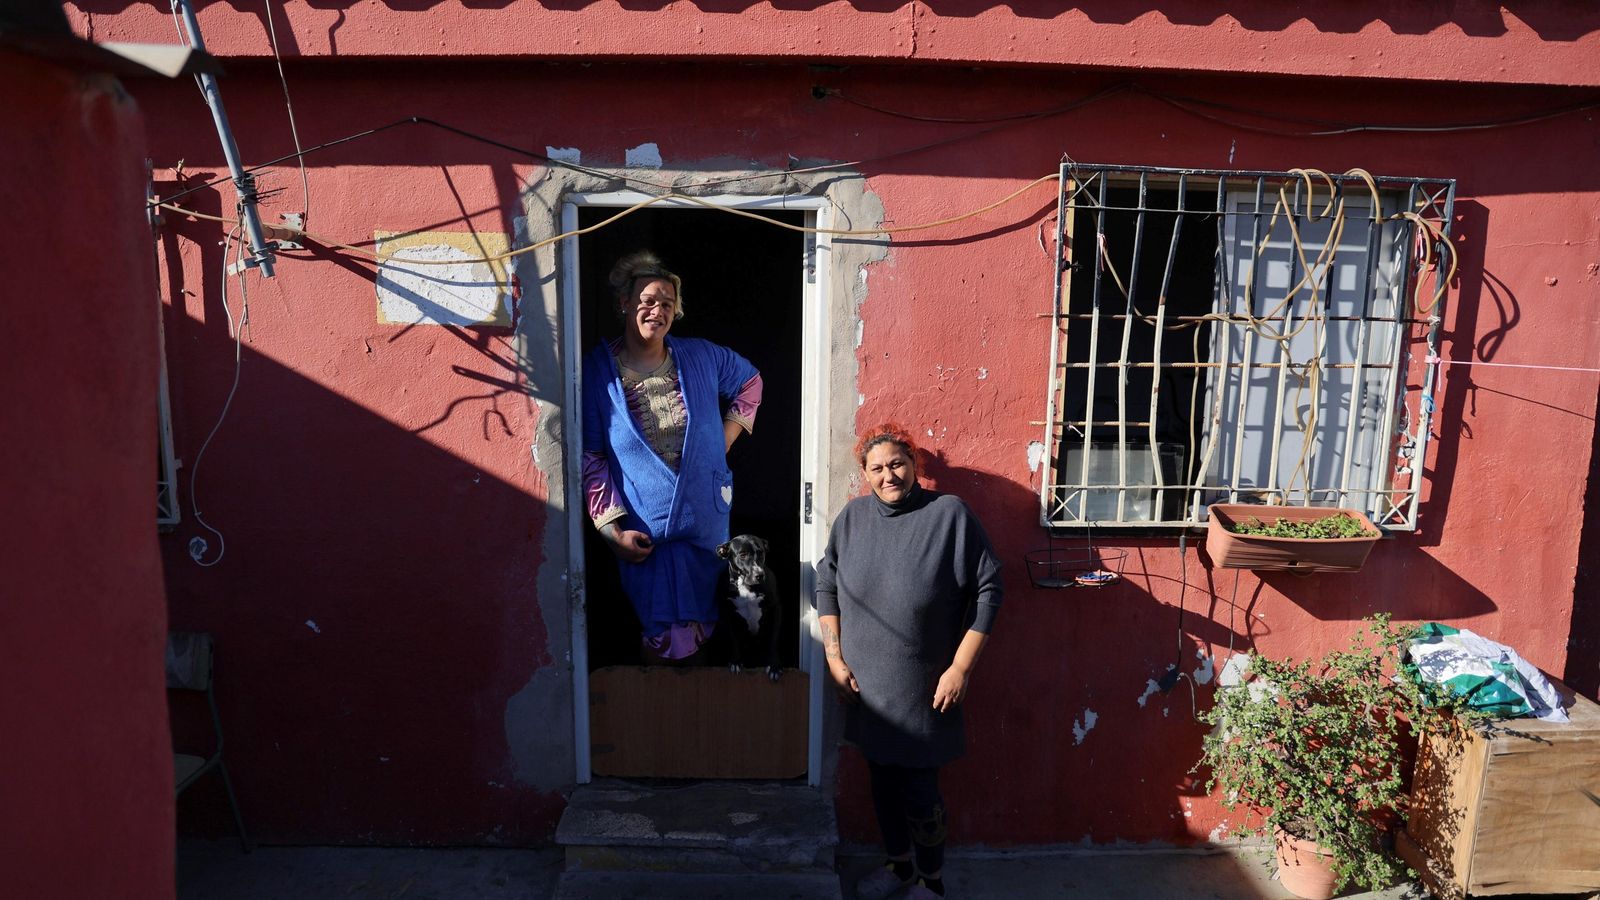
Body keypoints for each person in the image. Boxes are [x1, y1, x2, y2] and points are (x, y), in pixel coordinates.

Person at [816, 425, 1003, 900]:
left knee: (921, 794)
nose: (888, 475)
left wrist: (960, 668)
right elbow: (826, 585)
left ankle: (931, 881)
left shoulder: (949, 516)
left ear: (915, 464)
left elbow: (989, 589)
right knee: (880, 783)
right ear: (864, 474)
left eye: (897, 463)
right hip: (867, 691)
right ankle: (899, 867)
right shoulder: (852, 519)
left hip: (925, 691)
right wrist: (834, 659)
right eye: (876, 468)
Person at [582, 250, 762, 663]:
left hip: (705, 529)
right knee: (660, 644)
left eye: (667, 303)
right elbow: (592, 458)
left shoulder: (701, 356)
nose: (657, 310)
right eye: (647, 300)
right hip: (645, 539)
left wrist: (724, 439)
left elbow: (751, 382)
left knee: (712, 633)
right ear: (624, 303)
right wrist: (611, 534)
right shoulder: (596, 370)